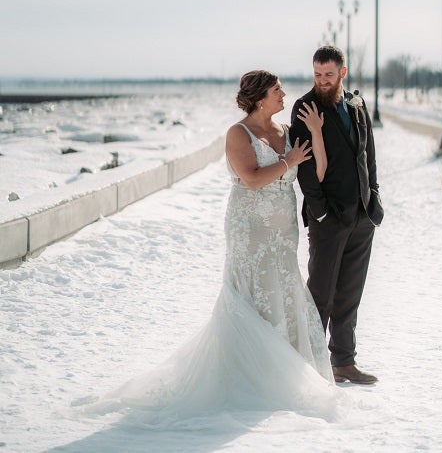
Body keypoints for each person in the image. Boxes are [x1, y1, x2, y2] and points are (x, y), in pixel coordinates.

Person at [83, 70, 343, 428]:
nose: (284, 94)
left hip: (282, 229)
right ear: (259, 97)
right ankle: (252, 373)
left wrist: (311, 138)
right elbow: (251, 179)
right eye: (277, 89)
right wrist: (288, 162)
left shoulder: (286, 132)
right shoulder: (239, 134)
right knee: (255, 291)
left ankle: (291, 370)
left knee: (283, 288)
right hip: (249, 227)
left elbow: (314, 172)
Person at [290, 46, 383, 385]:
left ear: (342, 73)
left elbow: (368, 154)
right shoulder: (305, 107)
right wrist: (321, 212)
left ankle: (344, 361)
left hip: (362, 215)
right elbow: (304, 168)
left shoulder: (357, 105)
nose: (322, 81)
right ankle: (309, 367)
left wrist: (374, 199)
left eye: (328, 75)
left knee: (350, 292)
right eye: (317, 74)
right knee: (321, 293)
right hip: (328, 218)